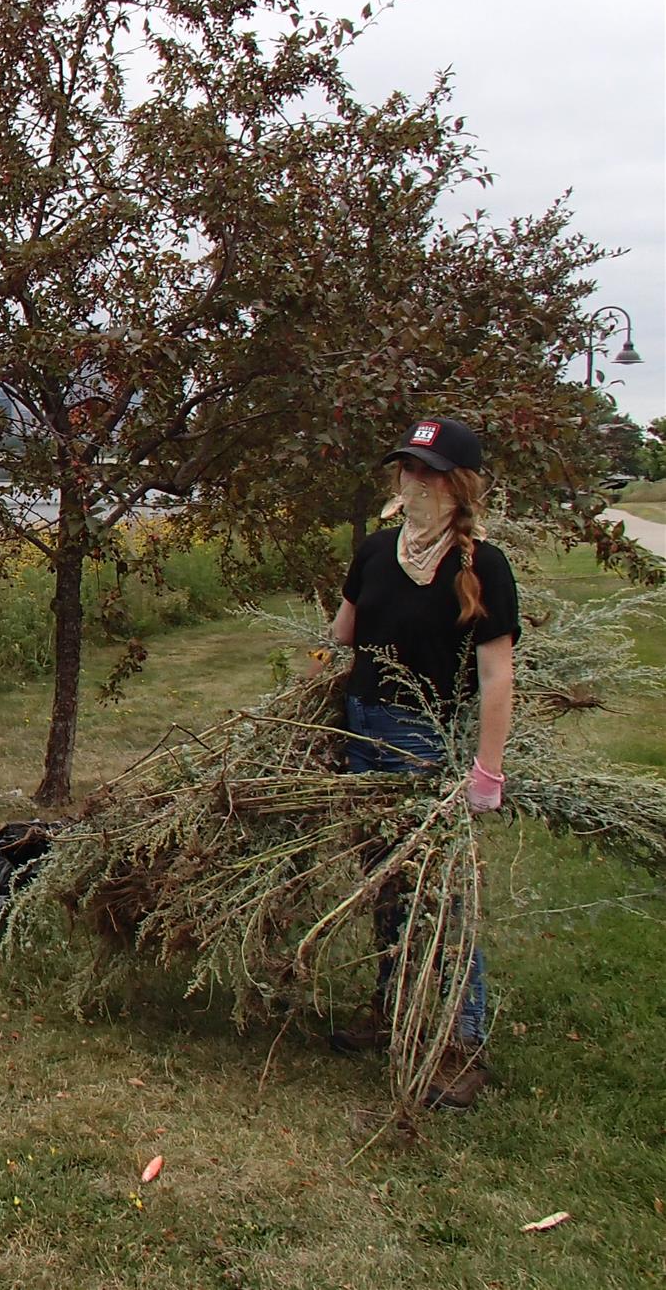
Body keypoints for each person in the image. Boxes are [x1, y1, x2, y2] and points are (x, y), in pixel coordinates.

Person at [329, 417, 518, 1108]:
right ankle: (391, 1005)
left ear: (457, 484)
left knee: (438, 892)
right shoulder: (377, 551)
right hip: (364, 731)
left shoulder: (482, 566)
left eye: (429, 472)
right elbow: (344, 633)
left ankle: (462, 1042)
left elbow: (497, 676)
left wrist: (486, 770)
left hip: (424, 741)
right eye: (408, 468)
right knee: (384, 881)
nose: (415, 482)